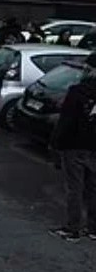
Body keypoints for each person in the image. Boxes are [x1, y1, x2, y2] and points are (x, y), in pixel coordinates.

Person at [50, 52, 96, 241]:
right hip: (94, 146)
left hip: (74, 145)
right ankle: (93, 228)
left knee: (74, 187)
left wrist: (56, 143)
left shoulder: (78, 91)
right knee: (93, 187)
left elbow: (66, 121)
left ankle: (72, 227)